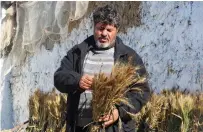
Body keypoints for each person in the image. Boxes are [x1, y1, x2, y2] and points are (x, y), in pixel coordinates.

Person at [54, 5, 150, 132]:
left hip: (113, 129)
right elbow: (59, 77)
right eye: (100, 28)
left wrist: (119, 111)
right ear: (94, 28)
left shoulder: (129, 57)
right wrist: (77, 81)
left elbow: (141, 92)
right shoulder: (78, 52)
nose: (104, 33)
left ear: (117, 30)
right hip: (80, 128)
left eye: (109, 30)